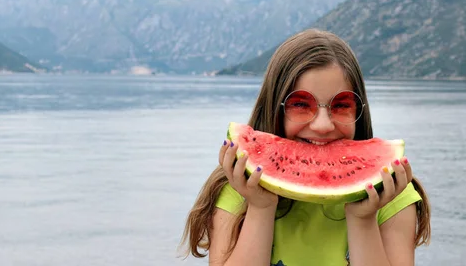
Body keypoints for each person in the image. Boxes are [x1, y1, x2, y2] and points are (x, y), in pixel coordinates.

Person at [180, 28, 431, 266]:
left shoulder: (393, 194)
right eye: (300, 105)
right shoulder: (237, 188)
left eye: (341, 105)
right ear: (273, 107)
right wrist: (260, 208)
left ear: (360, 110)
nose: (322, 125)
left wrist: (363, 219)